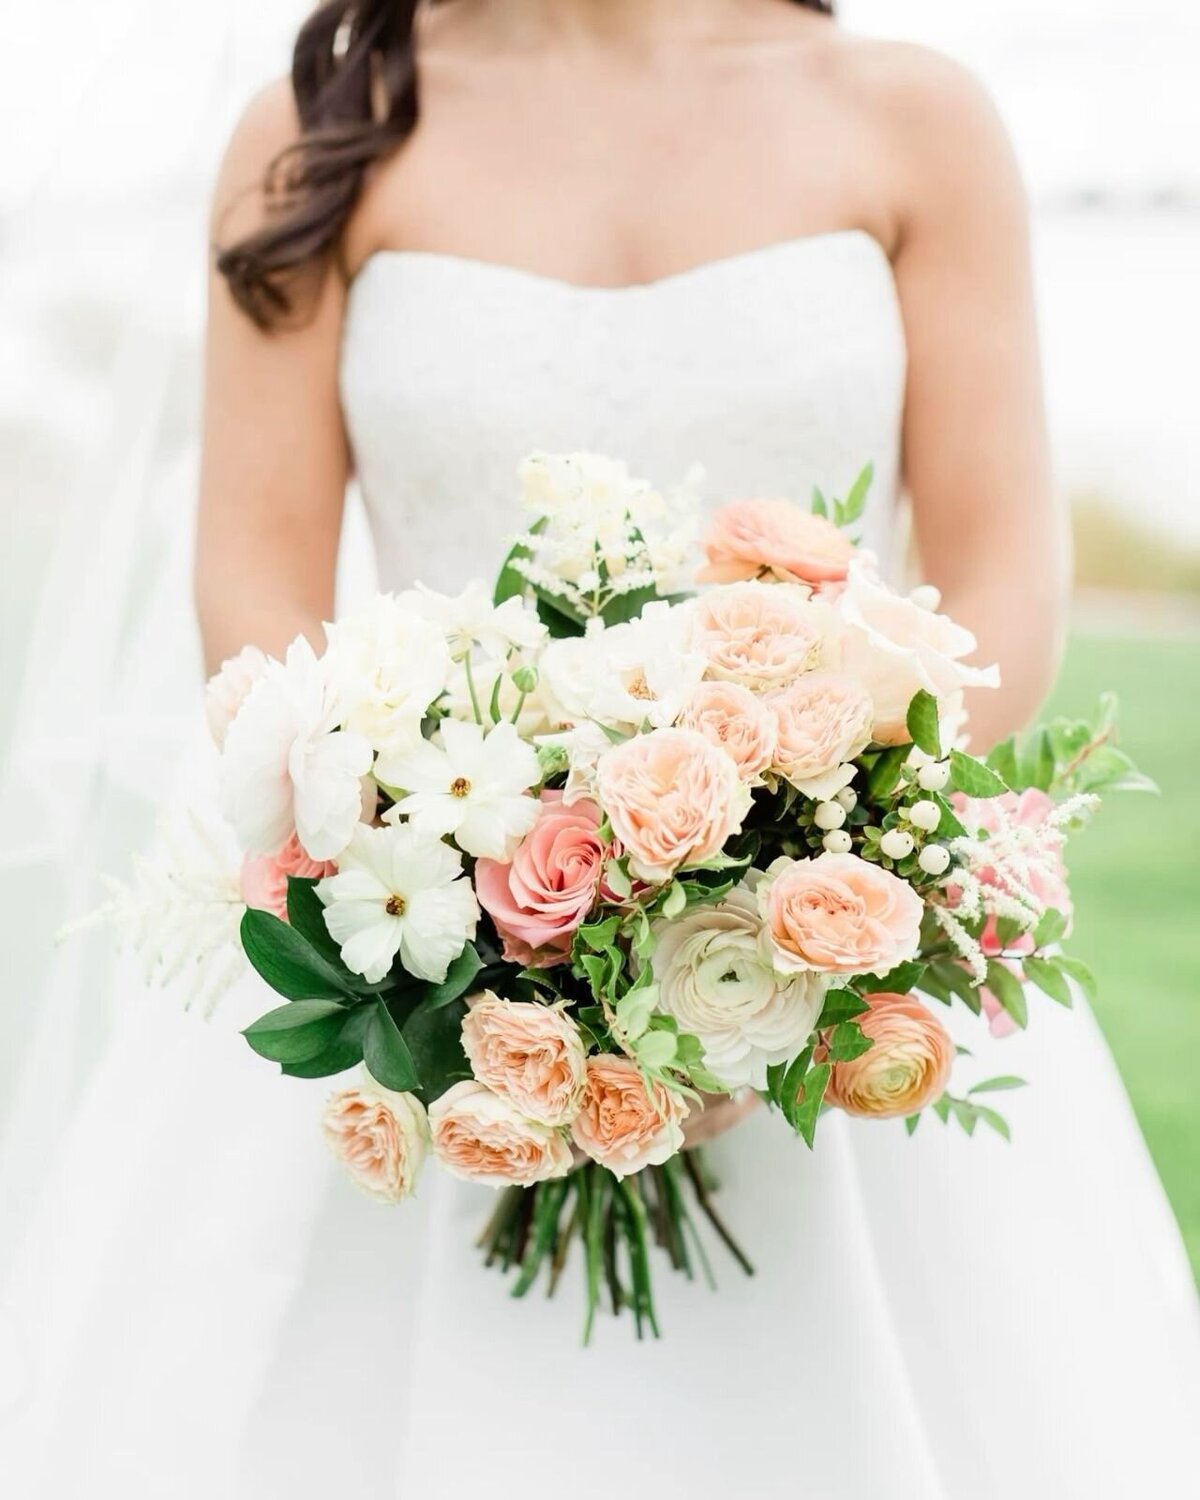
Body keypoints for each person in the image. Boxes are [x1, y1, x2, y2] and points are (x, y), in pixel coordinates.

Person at [5, 3, 1199, 1495]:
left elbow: (1000, 594)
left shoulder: (914, 122)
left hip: (842, 960)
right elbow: (253, 600)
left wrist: (766, 911)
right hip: (421, 947)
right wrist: (465, 915)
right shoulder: (319, 132)